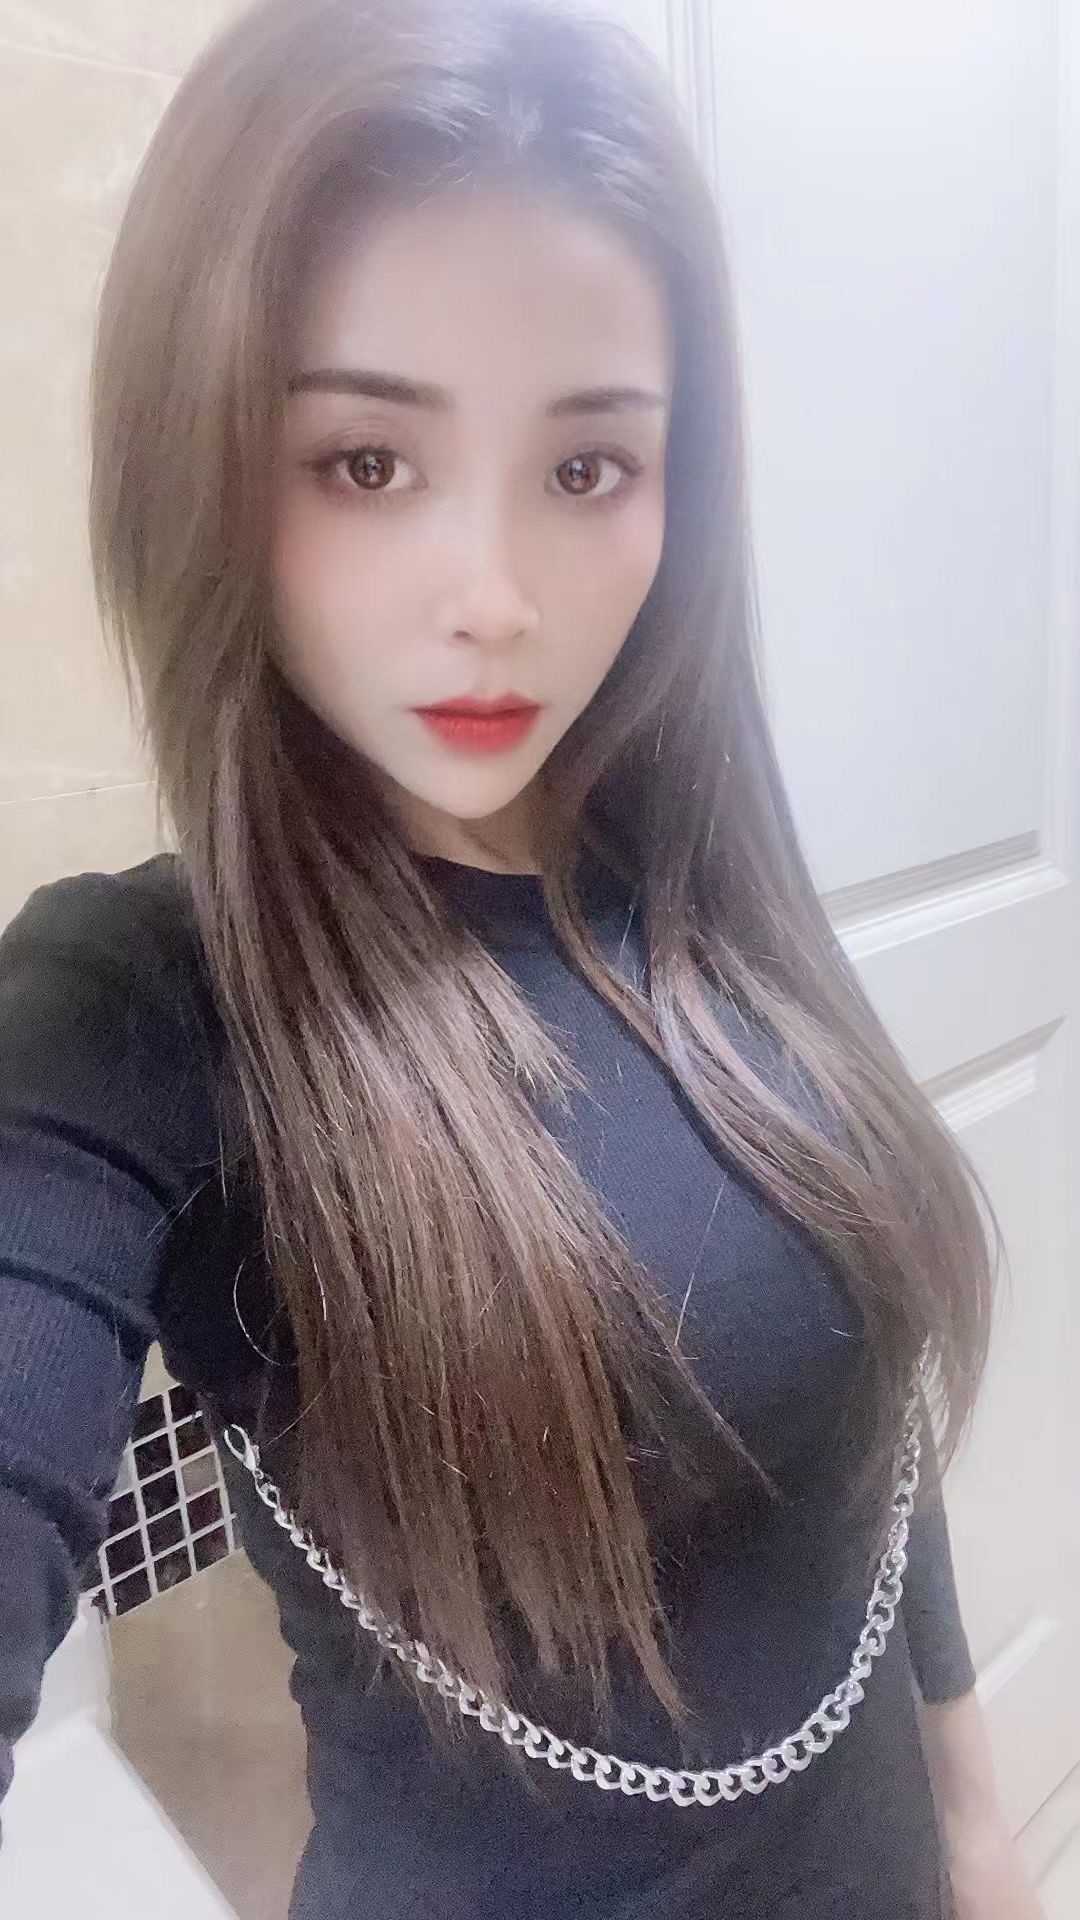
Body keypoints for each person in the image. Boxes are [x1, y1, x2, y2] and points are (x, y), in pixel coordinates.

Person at [0, 1, 1044, 1914]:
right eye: (364, 461)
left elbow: (859, 1435)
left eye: (586, 470)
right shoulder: (136, 1014)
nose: (495, 602)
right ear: (200, 457)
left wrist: (977, 1820)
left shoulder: (709, 874)